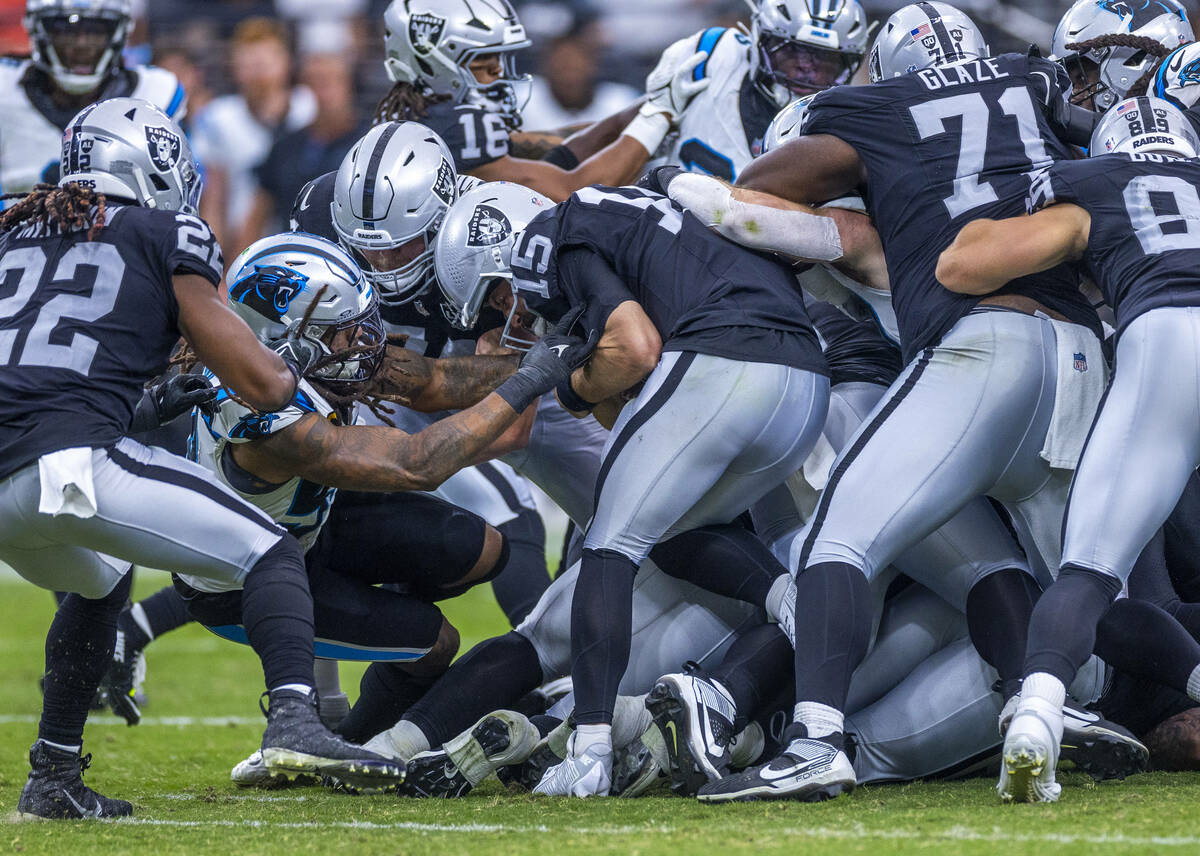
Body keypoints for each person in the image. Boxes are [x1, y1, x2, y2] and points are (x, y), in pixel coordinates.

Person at [692, 2, 1106, 803]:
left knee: (838, 541)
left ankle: (814, 741)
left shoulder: (872, 109)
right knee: (1078, 603)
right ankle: (1053, 712)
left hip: (982, 351)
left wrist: (868, 182)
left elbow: (754, 192)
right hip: (1086, 357)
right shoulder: (1037, 79)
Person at [3, 97, 401, 819]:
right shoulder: (166, 229)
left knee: (100, 586)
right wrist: (290, 363)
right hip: (68, 462)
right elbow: (262, 382)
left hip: (15, 469)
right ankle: (296, 720)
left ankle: (53, 774)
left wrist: (146, 407)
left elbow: (37, 367)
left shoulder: (14, 230)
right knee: (269, 548)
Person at [936, 95, 1200, 802]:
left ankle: (1039, 716)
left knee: (1087, 572)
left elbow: (964, 268)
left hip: (1171, 340)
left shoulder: (1095, 182)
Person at [376, 0, 709, 200]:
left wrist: (637, 114)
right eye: (481, 60)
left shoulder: (426, 112)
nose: (497, 71)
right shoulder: (450, 122)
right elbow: (572, 190)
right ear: (429, 59)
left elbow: (553, 153)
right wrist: (657, 116)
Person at [661, 0, 871, 181]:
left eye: (826, 59)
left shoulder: (854, 131)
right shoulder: (713, 57)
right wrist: (656, 118)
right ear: (759, 39)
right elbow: (633, 129)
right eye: (791, 50)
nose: (805, 69)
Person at [0, 0, 185, 199]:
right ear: (38, 31)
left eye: (96, 31)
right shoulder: (6, 88)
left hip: (121, 229)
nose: (82, 44)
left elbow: (174, 196)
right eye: (65, 30)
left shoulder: (154, 92)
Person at [191, 17, 315, 253]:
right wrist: (215, 264)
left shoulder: (308, 107)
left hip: (304, 240)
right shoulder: (219, 116)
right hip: (244, 246)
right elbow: (215, 197)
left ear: (286, 61)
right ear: (234, 66)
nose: (259, 73)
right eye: (250, 62)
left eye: (265, 62)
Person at [238, 51, 369, 250]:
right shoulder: (285, 147)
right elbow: (257, 214)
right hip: (291, 259)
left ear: (349, 85)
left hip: (353, 258)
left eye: (332, 81)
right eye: (315, 82)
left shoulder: (368, 143)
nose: (324, 91)